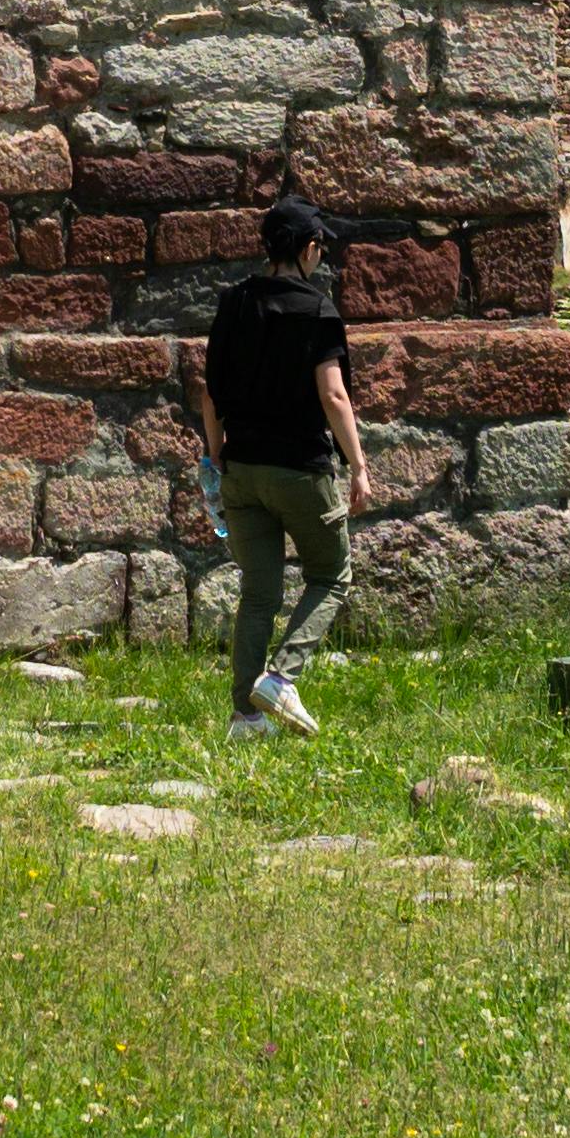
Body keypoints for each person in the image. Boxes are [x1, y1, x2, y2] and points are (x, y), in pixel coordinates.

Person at [197, 198, 373, 736]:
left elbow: (210, 393)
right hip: (300, 469)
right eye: (319, 247)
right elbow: (333, 395)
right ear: (308, 249)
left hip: (242, 469)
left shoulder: (233, 304)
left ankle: (245, 716)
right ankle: (282, 677)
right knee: (330, 574)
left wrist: (217, 452)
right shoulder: (317, 308)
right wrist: (359, 465)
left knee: (259, 591)